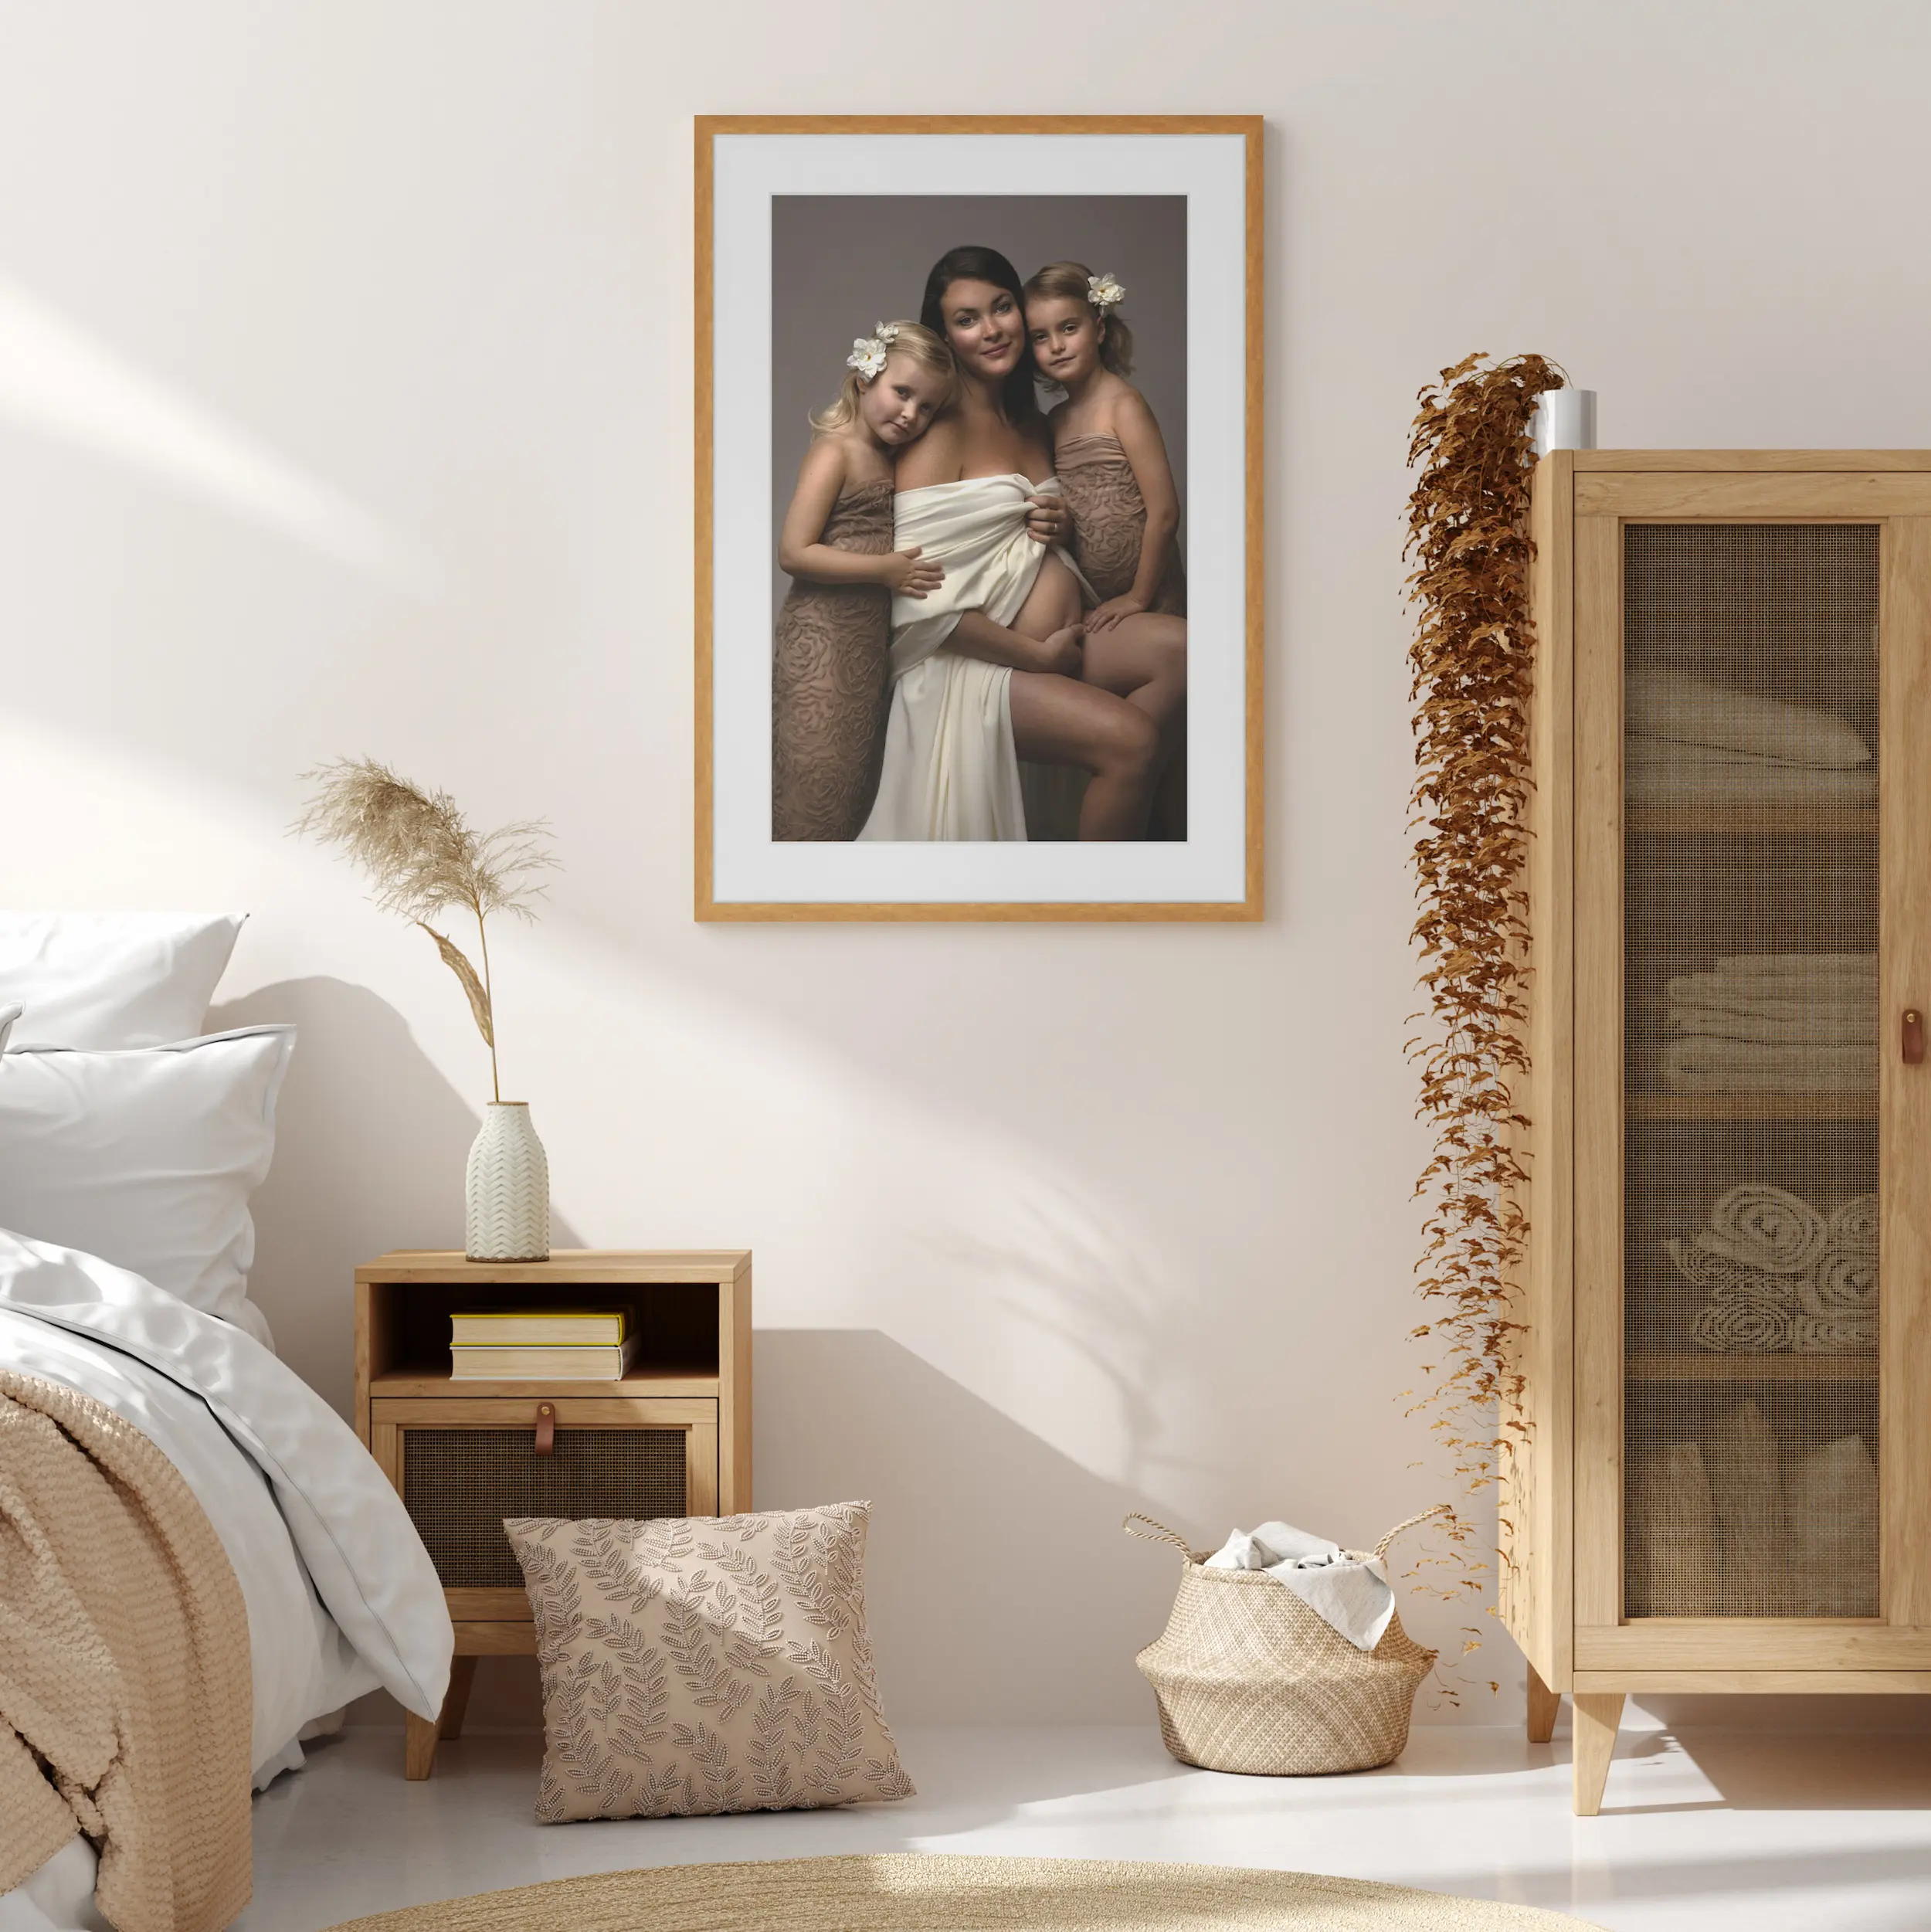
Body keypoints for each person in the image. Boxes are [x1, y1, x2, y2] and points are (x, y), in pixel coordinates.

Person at [859, 246, 1173, 842]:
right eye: (967, 318)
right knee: (1135, 740)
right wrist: (1036, 660)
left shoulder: (1031, 423)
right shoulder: (938, 433)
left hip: (1058, 641)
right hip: (970, 670)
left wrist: (1061, 525)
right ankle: (1095, 911)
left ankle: (1134, 781)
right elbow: (915, 601)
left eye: (1001, 307)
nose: (993, 329)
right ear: (945, 336)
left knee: (1193, 655)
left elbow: (1011, 546)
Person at [772, 321, 955, 840]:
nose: (911, 415)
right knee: (812, 785)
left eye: (927, 408)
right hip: (821, 640)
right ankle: (784, 904)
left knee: (852, 787)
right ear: (863, 379)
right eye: (902, 393)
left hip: (865, 645)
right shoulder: (837, 449)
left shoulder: (892, 457)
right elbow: (793, 551)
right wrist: (886, 569)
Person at [1025, 263, 1188, 830]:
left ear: (1098, 324)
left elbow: (1164, 510)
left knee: (1168, 754)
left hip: (1147, 593)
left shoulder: (1124, 403)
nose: (1055, 346)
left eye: (1067, 328)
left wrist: (1140, 596)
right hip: (1098, 600)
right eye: (1040, 337)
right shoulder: (1055, 420)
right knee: (1128, 737)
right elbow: (1070, 511)